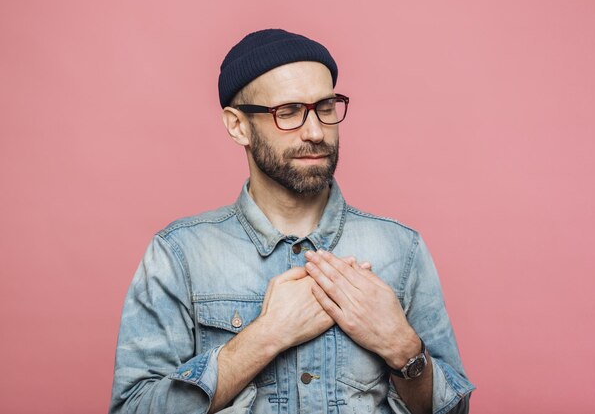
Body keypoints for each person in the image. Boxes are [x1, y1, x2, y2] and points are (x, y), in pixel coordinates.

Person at [109, 29, 475, 414]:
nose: (316, 132)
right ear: (238, 126)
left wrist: (403, 348)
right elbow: (133, 408)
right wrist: (266, 336)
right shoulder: (179, 255)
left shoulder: (401, 249)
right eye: (288, 112)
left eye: (326, 107)